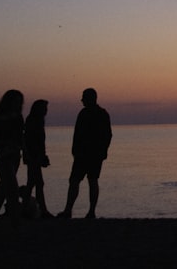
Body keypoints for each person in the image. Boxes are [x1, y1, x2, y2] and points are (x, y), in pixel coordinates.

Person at [57, 88, 112, 219]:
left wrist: (101, 151)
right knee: (86, 181)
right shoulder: (98, 113)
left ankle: (73, 210)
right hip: (89, 154)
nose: (82, 100)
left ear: (91, 98)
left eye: (84, 98)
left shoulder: (90, 113)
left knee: (80, 180)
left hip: (86, 154)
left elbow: (106, 135)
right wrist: (103, 151)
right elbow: (107, 135)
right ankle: (83, 211)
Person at [0, 89, 25, 219]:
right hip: (4, 156)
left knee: (2, 192)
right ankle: (14, 222)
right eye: (15, 101)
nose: (17, 104)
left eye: (19, 102)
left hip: (15, 156)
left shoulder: (18, 117)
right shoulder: (1, 118)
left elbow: (21, 137)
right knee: (12, 191)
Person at [23, 99, 52, 217]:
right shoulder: (33, 121)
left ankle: (26, 207)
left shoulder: (38, 121)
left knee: (32, 182)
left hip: (35, 156)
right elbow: (31, 141)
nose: (46, 111)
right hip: (33, 156)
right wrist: (36, 156)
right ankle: (42, 210)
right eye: (44, 109)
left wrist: (43, 155)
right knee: (38, 183)